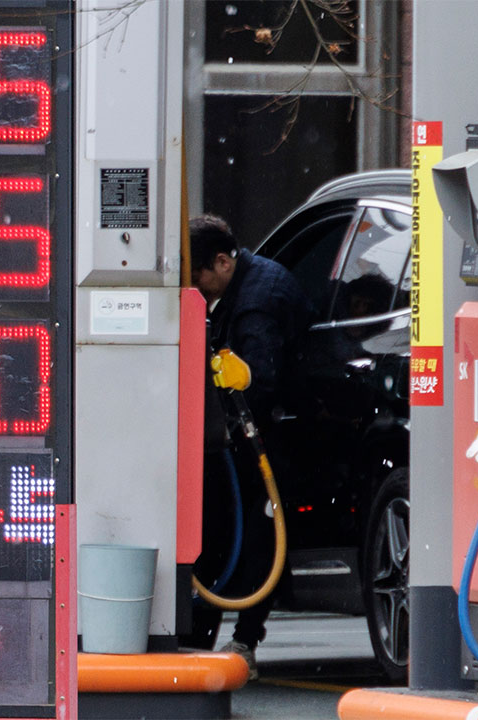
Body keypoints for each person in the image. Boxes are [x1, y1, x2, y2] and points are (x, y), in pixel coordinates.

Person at [186, 214, 313, 679]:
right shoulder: (243, 284)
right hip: (246, 436)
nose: (195, 289)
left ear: (222, 261)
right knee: (228, 532)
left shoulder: (257, 302)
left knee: (252, 536)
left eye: (197, 277)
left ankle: (243, 639)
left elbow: (258, 382)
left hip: (268, 437)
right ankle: (202, 634)